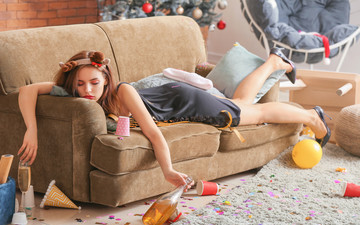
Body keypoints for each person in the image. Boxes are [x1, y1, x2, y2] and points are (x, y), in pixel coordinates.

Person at [17, 49, 330, 189]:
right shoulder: (73, 92)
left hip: (186, 101)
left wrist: (168, 170)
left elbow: (153, 133)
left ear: (106, 79)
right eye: (80, 85)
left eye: (94, 84)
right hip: (173, 94)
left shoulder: (123, 92)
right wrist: (32, 129)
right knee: (241, 104)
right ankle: (275, 61)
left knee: (251, 114)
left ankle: (311, 116)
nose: (87, 91)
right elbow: (27, 90)